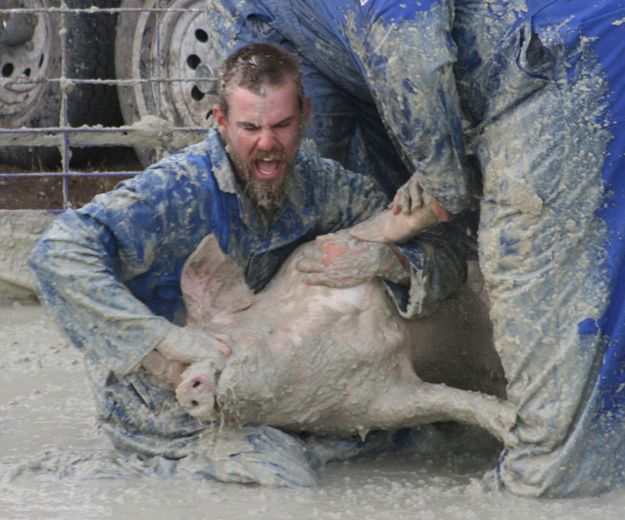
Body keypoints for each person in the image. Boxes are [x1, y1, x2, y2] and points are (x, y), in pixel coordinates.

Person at [203, 0, 625, 497]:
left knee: (549, 408)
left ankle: (563, 485)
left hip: (560, 56)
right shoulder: (271, 28)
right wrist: (384, 240)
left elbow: (407, 34)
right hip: (509, 58)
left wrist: (439, 180)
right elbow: (323, 125)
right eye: (250, 127)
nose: (266, 140)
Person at [28, 43, 471, 486]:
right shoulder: (177, 189)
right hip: (165, 396)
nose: (267, 144)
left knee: (423, 437)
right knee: (283, 473)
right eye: (249, 127)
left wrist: (390, 259)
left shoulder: (325, 188)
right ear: (220, 121)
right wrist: (160, 338)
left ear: (305, 115)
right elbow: (57, 253)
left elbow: (445, 259)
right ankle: (146, 477)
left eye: (281, 125)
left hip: (272, 378)